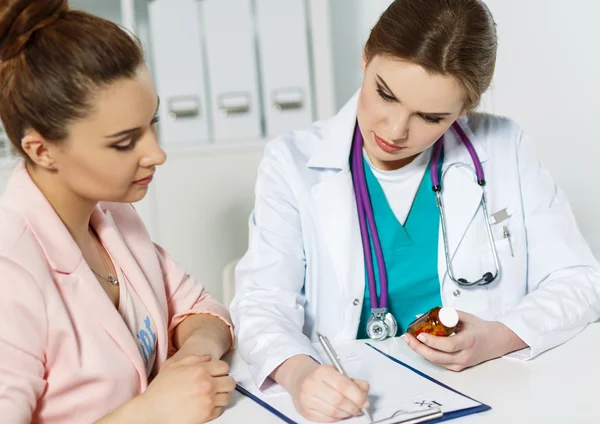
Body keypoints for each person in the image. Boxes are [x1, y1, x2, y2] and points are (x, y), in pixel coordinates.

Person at [230, 0, 600, 421]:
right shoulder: (292, 163)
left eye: (431, 116)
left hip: (485, 395)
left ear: (464, 110)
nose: (394, 130)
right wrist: (300, 375)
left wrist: (498, 336)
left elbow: (579, 279)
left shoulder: (503, 148)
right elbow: (262, 303)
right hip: (353, 403)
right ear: (366, 55)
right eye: (385, 94)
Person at [0, 1, 236, 423]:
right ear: (41, 149)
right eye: (125, 142)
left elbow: (201, 308)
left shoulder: (111, 213)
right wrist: (151, 411)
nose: (157, 153)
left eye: (153, 122)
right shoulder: (10, 272)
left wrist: (193, 362)